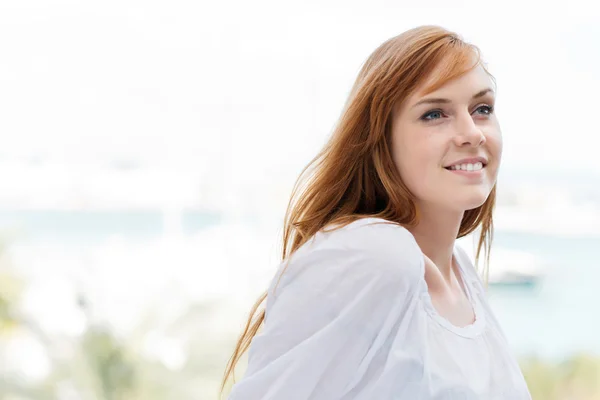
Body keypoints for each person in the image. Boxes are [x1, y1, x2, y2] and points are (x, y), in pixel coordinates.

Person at [220, 25, 532, 399]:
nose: (472, 132)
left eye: (482, 109)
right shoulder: (376, 255)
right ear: (381, 140)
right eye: (435, 114)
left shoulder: (461, 273)